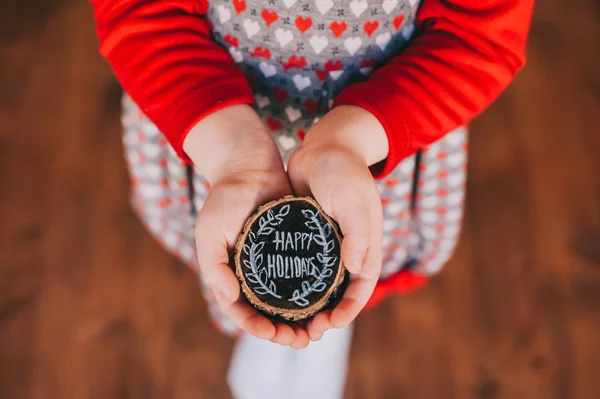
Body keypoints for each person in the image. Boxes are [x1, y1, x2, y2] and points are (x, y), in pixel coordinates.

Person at [91, 1, 534, 397]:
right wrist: (229, 152)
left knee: (354, 244)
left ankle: (333, 314)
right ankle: (261, 319)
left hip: (382, 124)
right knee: (232, 251)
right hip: (209, 117)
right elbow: (140, 10)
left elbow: (481, 34)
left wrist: (349, 143)